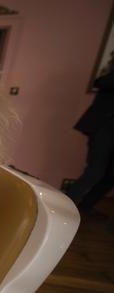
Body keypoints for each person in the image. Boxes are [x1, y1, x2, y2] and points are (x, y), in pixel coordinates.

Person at [67, 69, 114, 214]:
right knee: (94, 172)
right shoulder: (109, 78)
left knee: (110, 175)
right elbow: (101, 82)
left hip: (108, 129)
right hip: (104, 129)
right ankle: (67, 205)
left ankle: (85, 207)